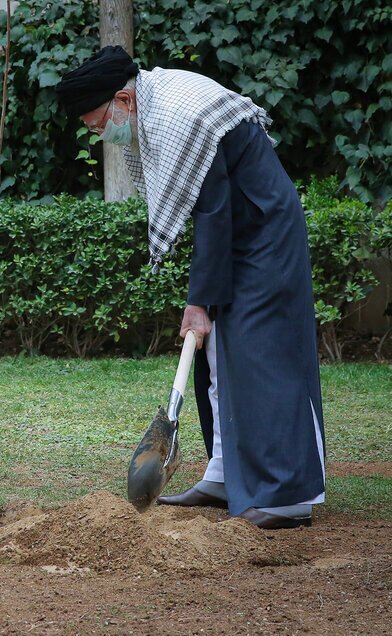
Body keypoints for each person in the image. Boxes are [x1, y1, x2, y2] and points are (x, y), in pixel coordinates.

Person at [54, 46, 326, 529]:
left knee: (264, 353)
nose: (100, 135)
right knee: (218, 353)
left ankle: (287, 496)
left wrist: (198, 302)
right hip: (239, 228)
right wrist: (203, 303)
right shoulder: (154, 102)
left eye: (98, 125)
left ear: (123, 100)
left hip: (264, 228)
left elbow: (213, 210)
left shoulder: (177, 114)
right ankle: (223, 473)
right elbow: (211, 209)